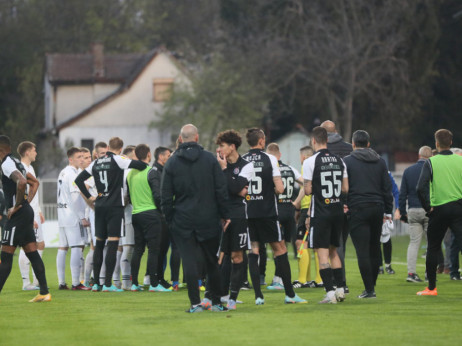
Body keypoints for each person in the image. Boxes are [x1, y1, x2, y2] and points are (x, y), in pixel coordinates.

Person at [161, 124, 230, 313]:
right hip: (208, 217)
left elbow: (165, 196)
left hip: (183, 219)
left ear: (181, 139)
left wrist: (170, 219)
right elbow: (220, 189)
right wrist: (225, 214)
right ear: (197, 138)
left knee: (189, 261)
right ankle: (216, 301)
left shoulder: (172, 162)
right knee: (212, 261)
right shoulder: (209, 159)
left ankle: (195, 303)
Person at [242, 128, 306, 305]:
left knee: (253, 250)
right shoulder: (270, 159)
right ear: (262, 141)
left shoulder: (243, 160)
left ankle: (258, 296)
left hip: (249, 212)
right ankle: (290, 294)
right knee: (280, 249)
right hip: (267, 212)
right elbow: (280, 189)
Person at [75, 137, 146, 292]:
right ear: (120, 149)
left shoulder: (96, 162)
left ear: (108, 147)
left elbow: (79, 180)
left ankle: (97, 284)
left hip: (99, 206)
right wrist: (133, 160)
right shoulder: (119, 160)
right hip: (115, 207)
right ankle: (108, 284)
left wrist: (90, 196)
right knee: (113, 244)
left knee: (99, 245)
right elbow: (140, 165)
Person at [0, 135, 50, 302]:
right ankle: (44, 293)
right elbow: (34, 183)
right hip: (25, 212)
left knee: (6, 257)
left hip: (17, 216)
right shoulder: (17, 162)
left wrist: (17, 205)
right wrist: (26, 204)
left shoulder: (7, 164)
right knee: (32, 253)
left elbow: (22, 182)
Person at [344, 130, 393, 298]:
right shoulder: (380, 162)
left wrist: (344, 204)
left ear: (353, 144)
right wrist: (388, 210)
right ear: (369, 144)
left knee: (362, 250)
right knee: (375, 248)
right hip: (377, 207)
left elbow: (344, 188)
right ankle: (372, 286)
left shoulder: (347, 162)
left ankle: (369, 289)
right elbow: (387, 188)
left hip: (357, 208)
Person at [303, 127, 349, 303]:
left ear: (313, 141)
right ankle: (340, 289)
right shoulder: (340, 160)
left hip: (321, 212)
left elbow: (307, 191)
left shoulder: (310, 162)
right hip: (337, 210)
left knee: (321, 254)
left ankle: (330, 294)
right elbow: (345, 189)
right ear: (327, 140)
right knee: (334, 252)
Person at [416, 129, 462, 296]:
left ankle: (431, 288)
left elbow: (420, 187)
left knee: (433, 247)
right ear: (451, 142)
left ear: (436, 144)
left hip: (439, 209)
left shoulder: (431, 162)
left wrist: (428, 207)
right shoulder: (460, 161)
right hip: (458, 208)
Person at [215, 130, 254, 310]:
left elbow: (236, 187)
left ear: (232, 147)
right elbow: (228, 188)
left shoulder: (247, 165)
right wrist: (233, 185)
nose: (219, 149)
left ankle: (232, 298)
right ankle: (219, 295)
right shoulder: (216, 164)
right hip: (220, 216)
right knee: (220, 257)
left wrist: (224, 171)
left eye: (222, 146)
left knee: (237, 257)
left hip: (238, 215)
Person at [127, 144, 171, 292]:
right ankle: (153, 284)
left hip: (136, 214)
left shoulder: (130, 174)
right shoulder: (151, 172)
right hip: (151, 214)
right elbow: (157, 196)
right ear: (148, 155)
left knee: (138, 249)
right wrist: (163, 211)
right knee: (154, 250)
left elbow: (129, 195)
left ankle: (134, 283)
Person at [320, 120, 353, 292]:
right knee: (341, 244)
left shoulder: (321, 152)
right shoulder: (348, 148)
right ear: (337, 131)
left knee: (330, 246)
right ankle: (341, 282)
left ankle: (338, 282)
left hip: (327, 205)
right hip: (347, 202)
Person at [266, 142, 303, 289]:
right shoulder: (291, 169)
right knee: (285, 246)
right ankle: (280, 278)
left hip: (275, 211)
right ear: (280, 155)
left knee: (276, 247)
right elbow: (305, 183)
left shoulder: (269, 170)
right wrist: (296, 202)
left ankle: (277, 279)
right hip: (289, 211)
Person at [56, 147, 90, 291]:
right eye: (78, 157)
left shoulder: (62, 172)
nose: (81, 159)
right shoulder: (73, 174)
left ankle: (62, 282)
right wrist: (82, 216)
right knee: (76, 246)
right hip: (72, 216)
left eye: (83, 157)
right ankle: (76, 283)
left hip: (62, 215)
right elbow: (75, 197)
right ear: (71, 159)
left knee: (63, 248)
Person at [399, 146, 432, 283]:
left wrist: (402, 212)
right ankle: (429, 274)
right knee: (431, 244)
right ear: (430, 157)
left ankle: (411, 273)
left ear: (419, 155)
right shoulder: (431, 170)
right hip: (428, 209)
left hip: (412, 210)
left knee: (413, 243)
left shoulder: (408, 171)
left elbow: (403, 194)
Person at [16, 141, 46, 290]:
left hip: (34, 212)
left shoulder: (31, 168)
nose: (36, 153)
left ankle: (35, 280)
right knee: (27, 247)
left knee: (40, 245)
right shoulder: (20, 169)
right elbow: (22, 194)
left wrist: (39, 210)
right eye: (34, 150)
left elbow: (34, 192)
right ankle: (26, 282)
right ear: (27, 152)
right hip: (28, 214)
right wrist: (30, 216)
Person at [148, 146, 177, 290]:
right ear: (160, 156)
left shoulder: (163, 171)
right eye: (168, 155)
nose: (170, 157)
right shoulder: (154, 172)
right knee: (159, 250)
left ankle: (160, 278)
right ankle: (155, 279)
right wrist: (167, 210)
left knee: (164, 249)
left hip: (164, 215)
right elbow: (157, 196)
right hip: (160, 216)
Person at [293, 145, 322, 288]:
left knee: (300, 242)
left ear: (303, 157)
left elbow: (306, 188)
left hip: (308, 208)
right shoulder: (317, 164)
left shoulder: (306, 164)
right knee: (315, 244)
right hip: (317, 207)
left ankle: (303, 280)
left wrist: (296, 203)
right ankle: (316, 279)